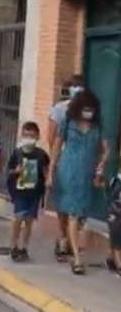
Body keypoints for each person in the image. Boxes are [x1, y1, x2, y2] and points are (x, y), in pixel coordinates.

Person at [48, 89, 109, 275]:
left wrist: (101, 165)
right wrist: (51, 171)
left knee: (77, 214)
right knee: (68, 210)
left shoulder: (97, 127)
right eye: (85, 108)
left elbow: (106, 149)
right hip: (67, 171)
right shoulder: (68, 123)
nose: (88, 112)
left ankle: (64, 241)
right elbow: (57, 147)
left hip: (86, 175)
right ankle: (76, 257)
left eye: (91, 109)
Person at [7, 122, 49, 262]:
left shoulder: (41, 154)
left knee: (29, 221)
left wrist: (48, 182)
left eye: (31, 135)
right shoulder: (17, 153)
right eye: (26, 135)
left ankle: (24, 247)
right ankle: (13, 245)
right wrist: (16, 171)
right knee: (18, 218)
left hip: (34, 192)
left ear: (37, 136)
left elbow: (45, 171)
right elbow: (9, 170)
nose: (28, 138)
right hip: (20, 191)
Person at [47, 75, 84, 147]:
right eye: (75, 86)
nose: (77, 89)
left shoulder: (87, 109)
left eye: (79, 86)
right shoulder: (59, 108)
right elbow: (51, 134)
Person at [106, 168, 121, 277]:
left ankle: (112, 258)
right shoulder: (117, 181)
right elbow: (113, 200)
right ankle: (118, 263)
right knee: (116, 234)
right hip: (116, 213)